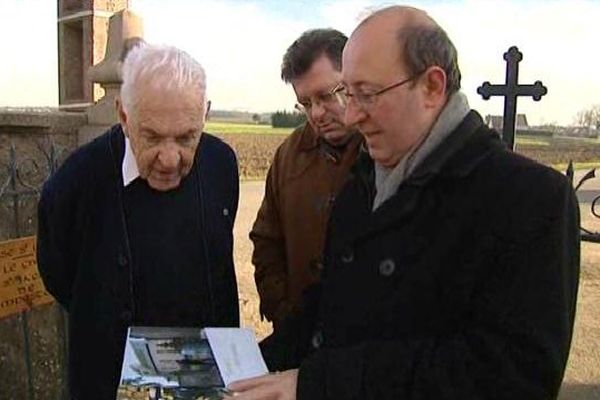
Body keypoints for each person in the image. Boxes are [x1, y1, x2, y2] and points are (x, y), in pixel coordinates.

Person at [227, 6, 580, 399]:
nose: (354, 116)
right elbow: (330, 307)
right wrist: (248, 366)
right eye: (349, 94)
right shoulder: (361, 187)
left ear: (431, 86)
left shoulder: (529, 200)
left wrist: (319, 384)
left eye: (366, 94)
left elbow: (510, 376)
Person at [37, 44, 240, 400]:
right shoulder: (76, 183)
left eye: (186, 137)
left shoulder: (221, 164)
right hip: (106, 382)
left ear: (204, 114)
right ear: (124, 115)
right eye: (153, 136)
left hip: (206, 379)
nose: (169, 159)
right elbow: (58, 274)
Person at [250, 29, 362, 329]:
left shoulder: (387, 150)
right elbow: (266, 239)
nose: (317, 113)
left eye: (326, 96)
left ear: (354, 80)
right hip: (297, 338)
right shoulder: (288, 155)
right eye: (306, 103)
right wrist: (282, 310)